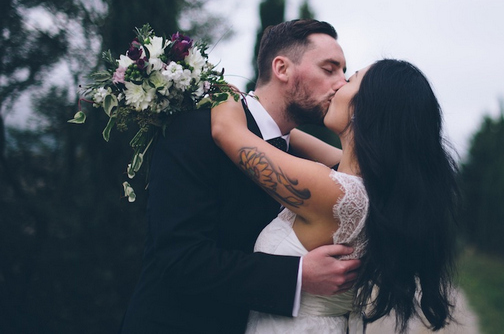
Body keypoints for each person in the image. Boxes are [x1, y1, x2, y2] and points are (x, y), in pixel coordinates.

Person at [119, 19, 360, 334]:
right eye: (330, 69)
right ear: (282, 69)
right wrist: (298, 275)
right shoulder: (197, 128)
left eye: (344, 72)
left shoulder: (304, 162)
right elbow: (178, 259)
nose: (341, 83)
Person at [211, 58, 460, 333]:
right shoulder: (373, 186)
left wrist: (216, 87)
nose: (338, 84)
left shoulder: (334, 193)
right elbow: (288, 135)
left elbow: (226, 131)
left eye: (350, 80)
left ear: (363, 108)